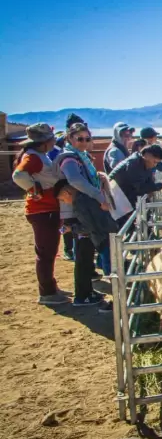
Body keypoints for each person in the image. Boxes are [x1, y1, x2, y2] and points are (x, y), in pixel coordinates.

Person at [53, 123, 112, 307]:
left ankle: (86, 291)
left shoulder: (81, 157)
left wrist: (99, 178)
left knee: (87, 250)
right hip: (76, 210)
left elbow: (84, 179)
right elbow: (76, 180)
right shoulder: (70, 158)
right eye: (80, 139)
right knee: (84, 252)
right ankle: (82, 295)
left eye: (87, 139)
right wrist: (98, 195)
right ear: (70, 139)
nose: (84, 142)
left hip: (83, 208)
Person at [12, 123, 69, 305]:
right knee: (45, 252)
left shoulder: (39, 156)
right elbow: (18, 175)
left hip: (47, 209)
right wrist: (35, 190)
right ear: (45, 142)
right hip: (43, 210)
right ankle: (47, 292)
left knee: (49, 250)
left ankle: (50, 287)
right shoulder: (34, 158)